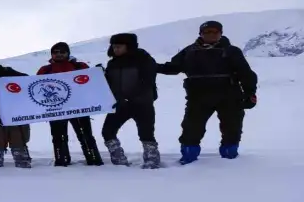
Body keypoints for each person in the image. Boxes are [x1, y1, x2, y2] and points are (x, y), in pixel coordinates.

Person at [156, 20, 258, 164]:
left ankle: (230, 159)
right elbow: (173, 67)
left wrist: (250, 93)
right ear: (201, 34)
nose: (211, 34)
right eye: (207, 32)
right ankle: (189, 157)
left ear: (221, 33)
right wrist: (151, 67)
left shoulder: (231, 51)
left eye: (215, 32)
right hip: (198, 97)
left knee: (232, 128)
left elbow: (246, 74)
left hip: (229, 96)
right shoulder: (189, 51)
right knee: (191, 128)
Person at [36, 42, 104, 166]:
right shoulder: (45, 70)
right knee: (58, 136)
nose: (59, 54)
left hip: (79, 106)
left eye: (62, 52)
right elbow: (36, 87)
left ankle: (94, 159)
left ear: (68, 53)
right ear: (51, 54)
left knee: (85, 135)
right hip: (56, 108)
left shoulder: (79, 66)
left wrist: (98, 73)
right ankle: (61, 160)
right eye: (55, 52)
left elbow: (91, 81)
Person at [101, 33, 160, 168]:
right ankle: (118, 159)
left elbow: (147, 81)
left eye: (119, 46)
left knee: (146, 133)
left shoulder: (144, 59)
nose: (116, 49)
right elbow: (109, 83)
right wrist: (101, 75)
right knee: (108, 131)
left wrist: (131, 96)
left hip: (142, 103)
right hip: (120, 104)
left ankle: (152, 159)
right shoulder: (112, 63)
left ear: (129, 46)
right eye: (114, 47)